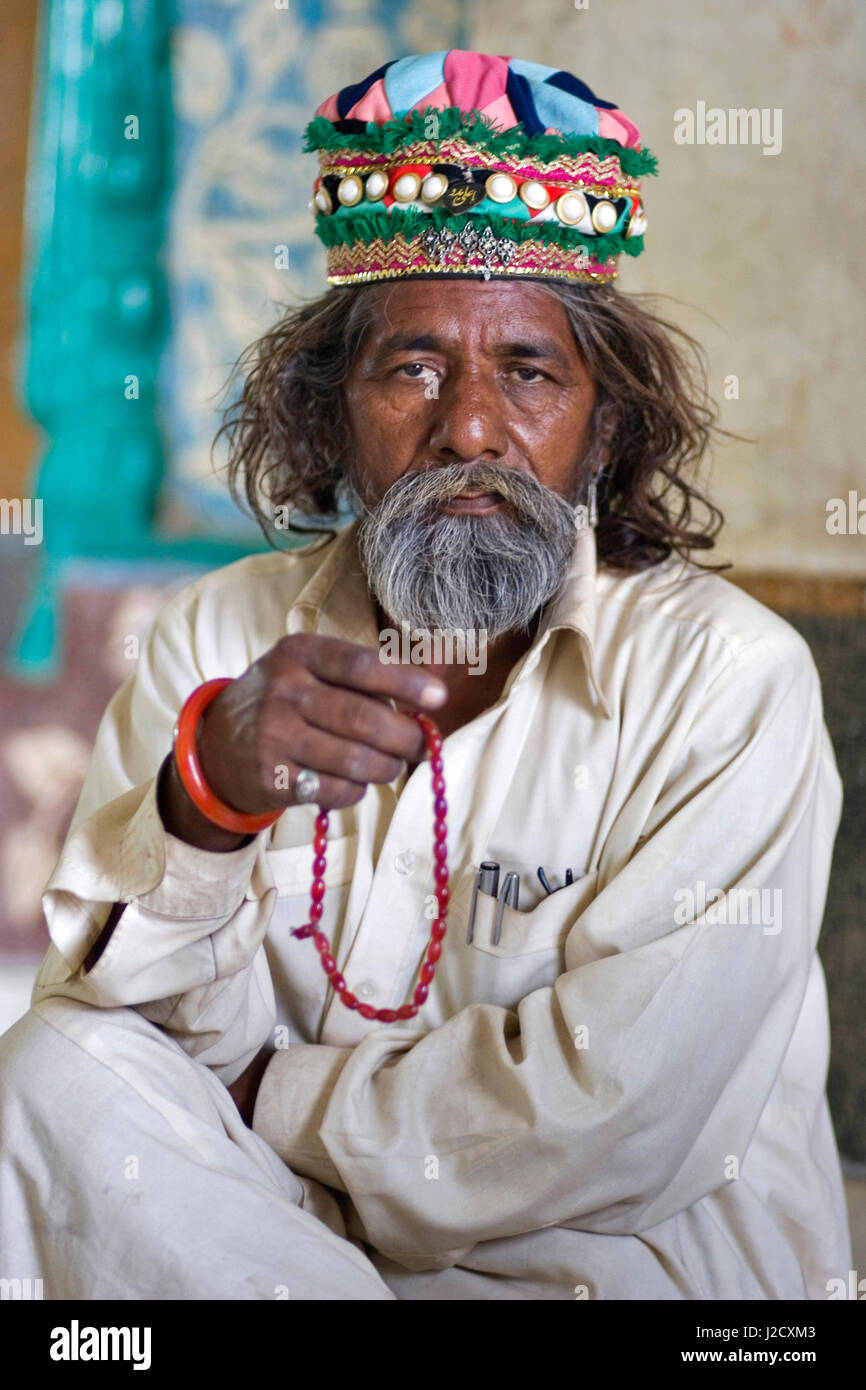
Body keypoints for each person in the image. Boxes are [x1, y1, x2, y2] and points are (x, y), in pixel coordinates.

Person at [0, 50, 851, 1301]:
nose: (466, 428)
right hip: (287, 1248)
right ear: (327, 408)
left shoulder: (729, 681)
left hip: (615, 1275)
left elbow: (618, 1116)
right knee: (50, 1068)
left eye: (528, 371)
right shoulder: (215, 641)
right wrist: (207, 804)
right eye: (410, 369)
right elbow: (148, 1038)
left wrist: (271, 1099)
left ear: (603, 428)